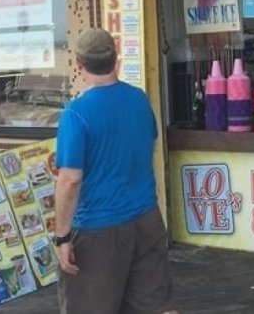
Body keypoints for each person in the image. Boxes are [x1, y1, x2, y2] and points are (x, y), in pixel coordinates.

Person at [53, 28, 178, 314]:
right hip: (146, 218)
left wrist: (62, 237)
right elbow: (149, 148)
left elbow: (70, 181)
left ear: (78, 64)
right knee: (156, 306)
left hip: (98, 228)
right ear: (115, 58)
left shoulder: (76, 113)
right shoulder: (139, 99)